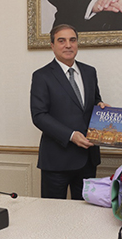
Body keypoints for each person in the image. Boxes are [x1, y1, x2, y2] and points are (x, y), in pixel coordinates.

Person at [30, 24, 109, 199]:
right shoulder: (42, 76)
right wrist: (71, 135)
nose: (68, 45)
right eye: (61, 41)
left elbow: (94, 101)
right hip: (56, 160)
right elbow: (39, 116)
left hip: (88, 159)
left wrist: (101, 106)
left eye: (72, 40)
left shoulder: (89, 72)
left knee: (85, 212)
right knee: (52, 212)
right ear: (52, 45)